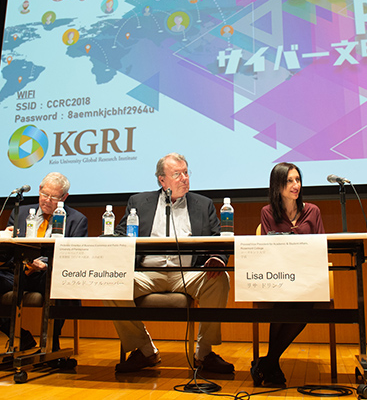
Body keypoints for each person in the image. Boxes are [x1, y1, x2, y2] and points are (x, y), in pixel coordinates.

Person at [111, 153, 234, 375]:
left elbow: (219, 237)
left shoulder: (203, 204)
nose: (184, 178)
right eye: (177, 174)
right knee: (110, 283)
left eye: (186, 172)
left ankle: (204, 352)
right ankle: (145, 350)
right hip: (148, 273)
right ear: (162, 180)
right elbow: (120, 234)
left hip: (188, 273)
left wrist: (217, 258)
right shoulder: (139, 203)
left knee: (219, 279)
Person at [251, 162, 325, 386]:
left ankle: (267, 363)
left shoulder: (312, 211)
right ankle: (271, 365)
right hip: (280, 276)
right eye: (289, 181)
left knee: (304, 308)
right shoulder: (267, 212)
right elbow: (267, 249)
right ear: (277, 186)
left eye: (298, 180)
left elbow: (320, 245)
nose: (295, 185)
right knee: (283, 301)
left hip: (307, 277)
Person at [0, 172, 88, 351]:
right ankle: (19, 336)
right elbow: (5, 256)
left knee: (59, 281)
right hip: (19, 271)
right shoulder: (21, 213)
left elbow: (75, 257)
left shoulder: (77, 220)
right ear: (39, 190)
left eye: (54, 197)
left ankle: (50, 345)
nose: (47, 200)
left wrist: (46, 265)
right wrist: (6, 240)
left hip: (48, 273)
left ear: (64, 197)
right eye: (45, 194)